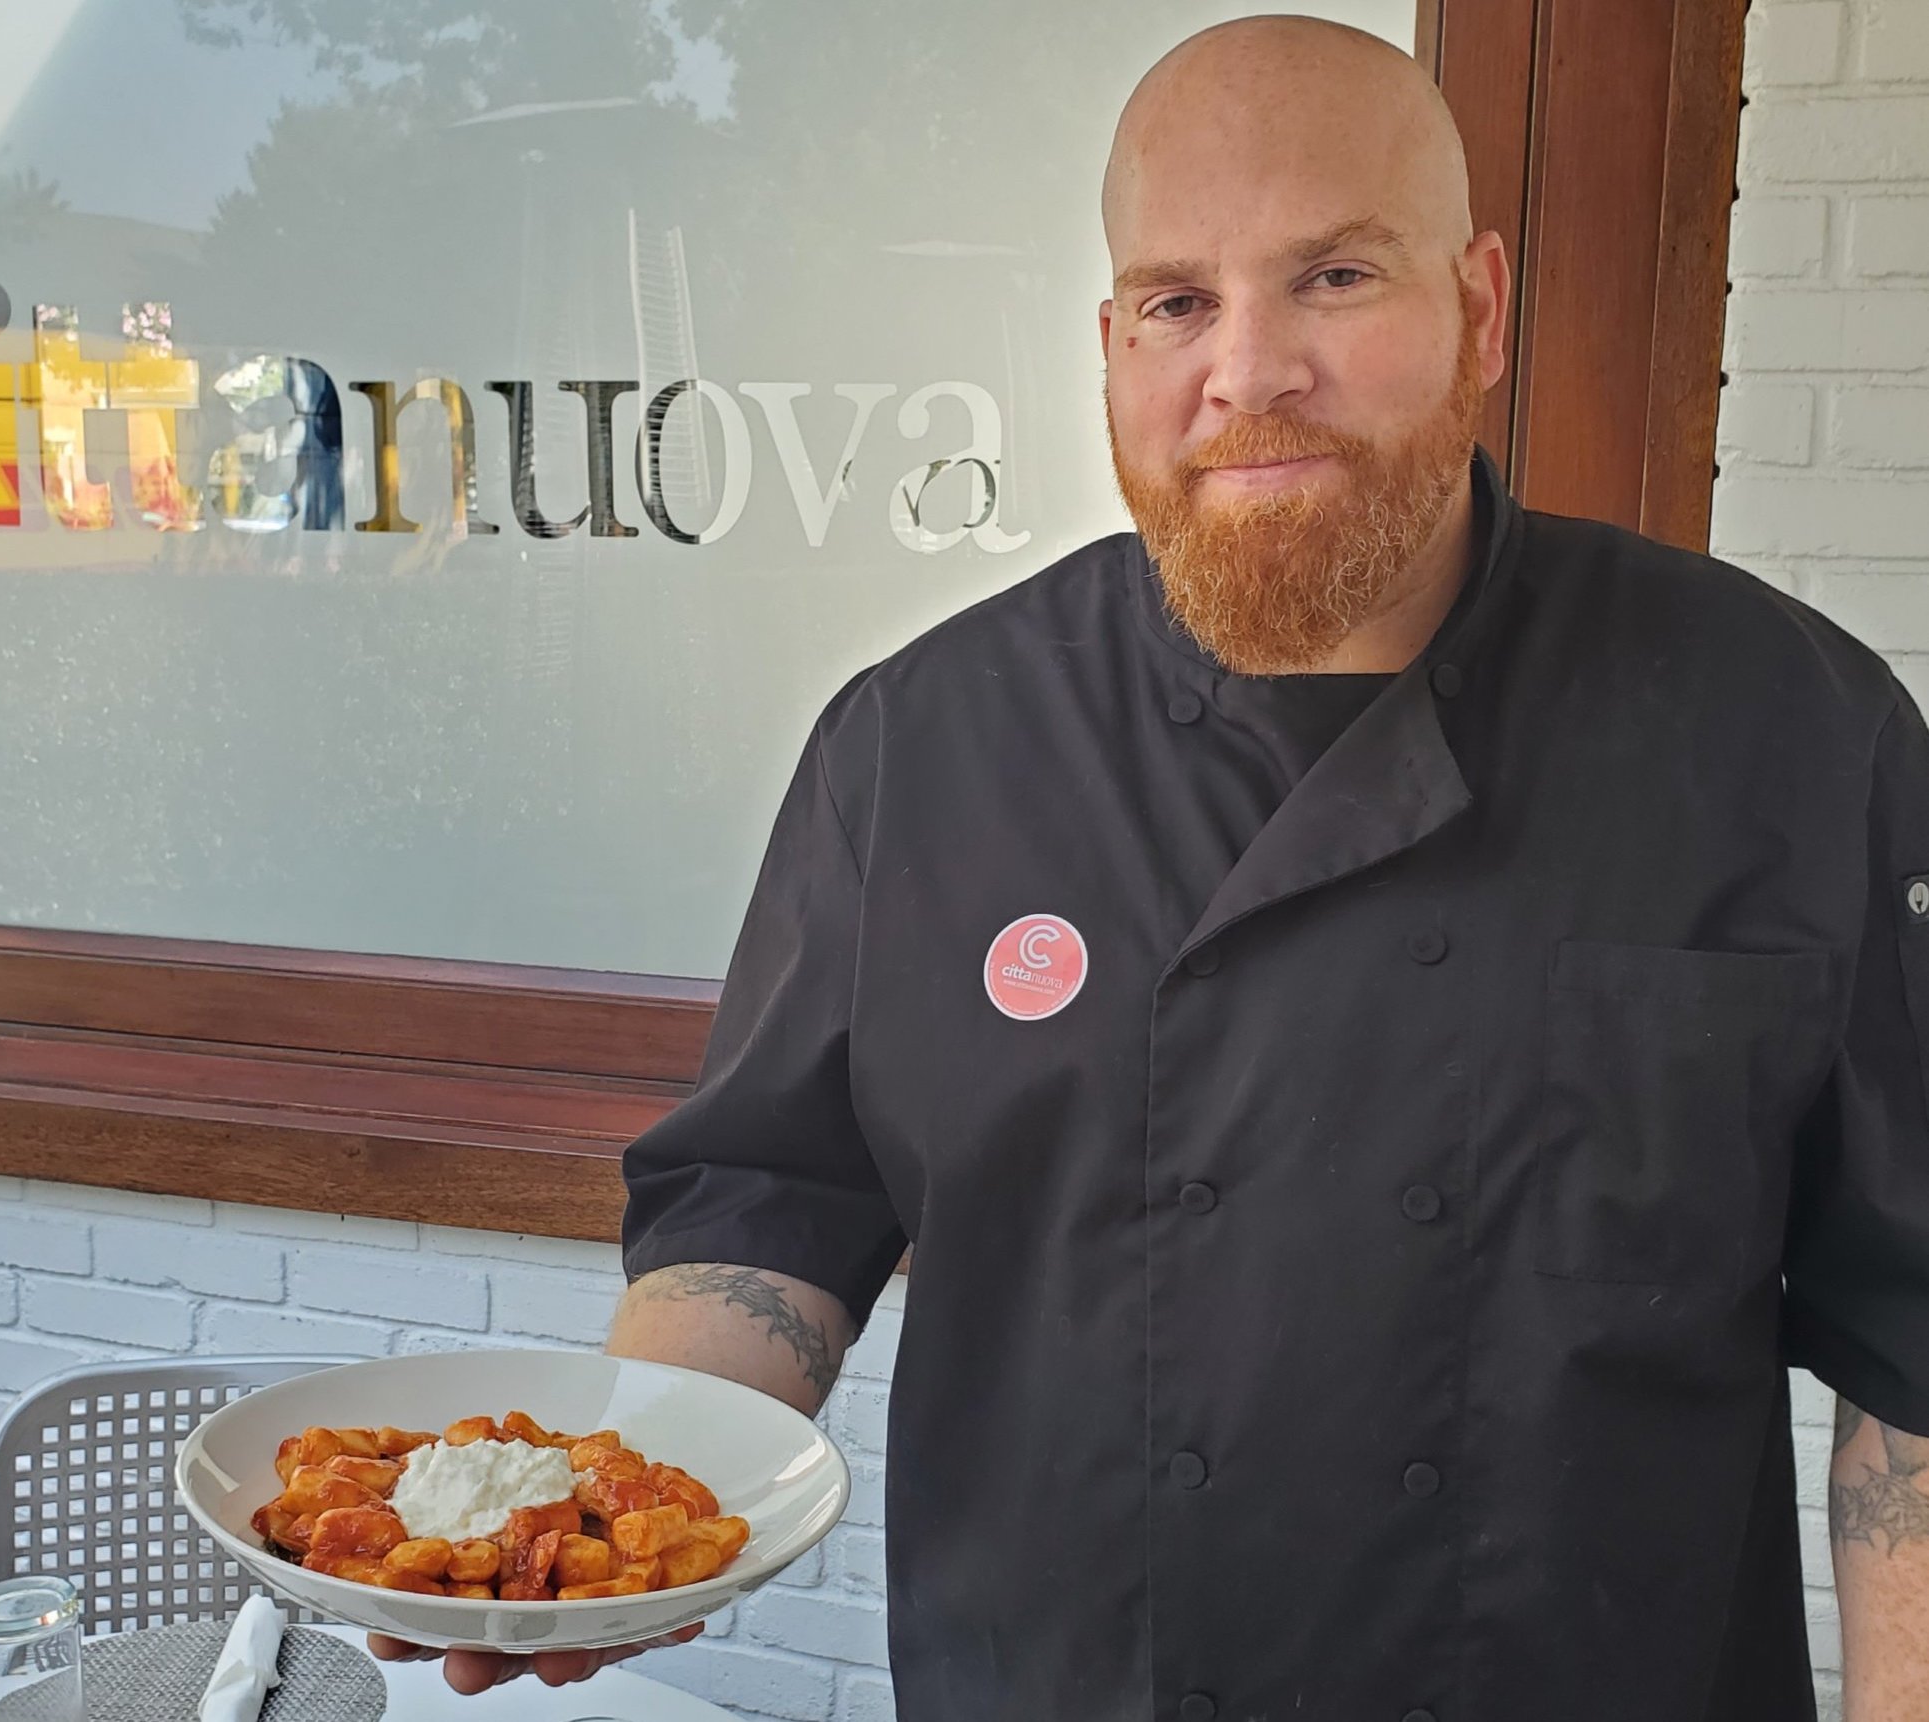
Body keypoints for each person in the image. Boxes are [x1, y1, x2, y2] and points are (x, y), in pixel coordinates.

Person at [377, 15, 1929, 1719]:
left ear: (1478, 308)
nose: (1246, 367)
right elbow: (767, 1203)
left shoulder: (1785, 727)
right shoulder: (921, 747)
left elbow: (1912, 1341)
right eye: (1178, 300)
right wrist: (622, 1507)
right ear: (1108, 341)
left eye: (1333, 276)